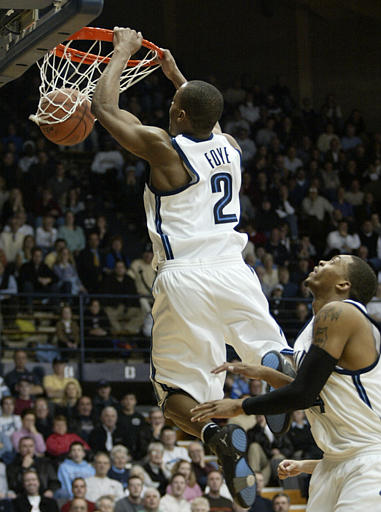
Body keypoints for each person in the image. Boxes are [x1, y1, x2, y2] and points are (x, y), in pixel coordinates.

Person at [92, 28, 289, 508]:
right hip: (235, 269)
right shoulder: (231, 146)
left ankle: (213, 435)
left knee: (173, 390)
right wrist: (175, 76)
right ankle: (276, 370)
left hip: (186, 277)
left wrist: (121, 51)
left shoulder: (166, 148)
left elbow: (104, 109)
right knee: (268, 347)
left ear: (178, 114)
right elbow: (204, 112)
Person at [191, 255, 381, 511]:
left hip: (368, 460)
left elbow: (302, 394)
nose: (323, 261)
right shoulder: (314, 325)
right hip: (332, 461)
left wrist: (239, 406)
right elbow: (316, 395)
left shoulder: (341, 312)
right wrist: (266, 374)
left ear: (344, 284)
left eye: (334, 261)